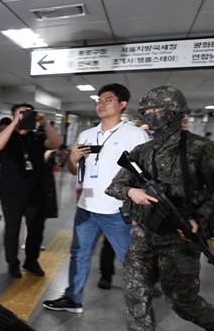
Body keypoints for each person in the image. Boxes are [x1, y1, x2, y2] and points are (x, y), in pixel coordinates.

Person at [105, 86, 214, 331]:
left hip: (180, 239)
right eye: (147, 111)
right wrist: (133, 193)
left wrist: (198, 220)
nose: (151, 115)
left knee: (182, 302)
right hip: (143, 234)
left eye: (157, 110)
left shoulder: (201, 149)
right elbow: (116, 185)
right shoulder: (143, 150)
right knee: (135, 287)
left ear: (175, 111)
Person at [42, 84, 149, 313]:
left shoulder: (135, 135)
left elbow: (144, 176)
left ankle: (141, 308)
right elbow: (74, 171)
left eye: (107, 100)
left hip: (117, 210)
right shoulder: (87, 135)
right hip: (86, 207)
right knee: (79, 253)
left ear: (122, 104)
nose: (100, 104)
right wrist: (72, 158)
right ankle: (73, 298)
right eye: (98, 100)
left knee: (130, 260)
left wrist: (139, 213)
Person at [0, 103, 61, 279]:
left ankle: (31, 261)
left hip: (36, 193)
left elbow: (56, 143)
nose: (24, 116)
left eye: (27, 113)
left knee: (36, 230)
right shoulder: (7, 137)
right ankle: (12, 264)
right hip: (11, 194)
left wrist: (45, 123)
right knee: (12, 230)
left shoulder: (37, 137)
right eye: (20, 113)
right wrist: (14, 123)